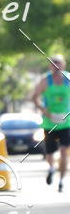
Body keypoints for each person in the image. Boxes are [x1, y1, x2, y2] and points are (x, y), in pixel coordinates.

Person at [31, 54, 70, 193]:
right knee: (50, 154)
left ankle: (61, 181)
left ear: (63, 65)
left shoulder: (68, 79)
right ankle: (52, 168)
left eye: (58, 63)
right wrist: (43, 109)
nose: (56, 66)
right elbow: (34, 97)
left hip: (66, 123)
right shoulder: (45, 81)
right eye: (53, 63)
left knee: (65, 152)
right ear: (50, 66)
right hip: (49, 123)